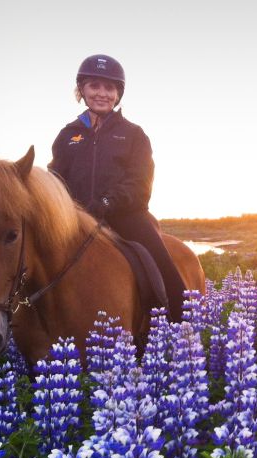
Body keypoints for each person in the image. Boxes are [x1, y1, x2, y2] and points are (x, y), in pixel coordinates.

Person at [49, 54, 185, 321]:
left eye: (110, 88)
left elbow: (140, 183)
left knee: (161, 261)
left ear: (118, 94)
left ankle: (181, 324)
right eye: (94, 86)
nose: (102, 94)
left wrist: (107, 203)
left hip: (125, 216)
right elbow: (55, 178)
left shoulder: (133, 134)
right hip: (75, 220)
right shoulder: (67, 135)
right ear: (82, 90)